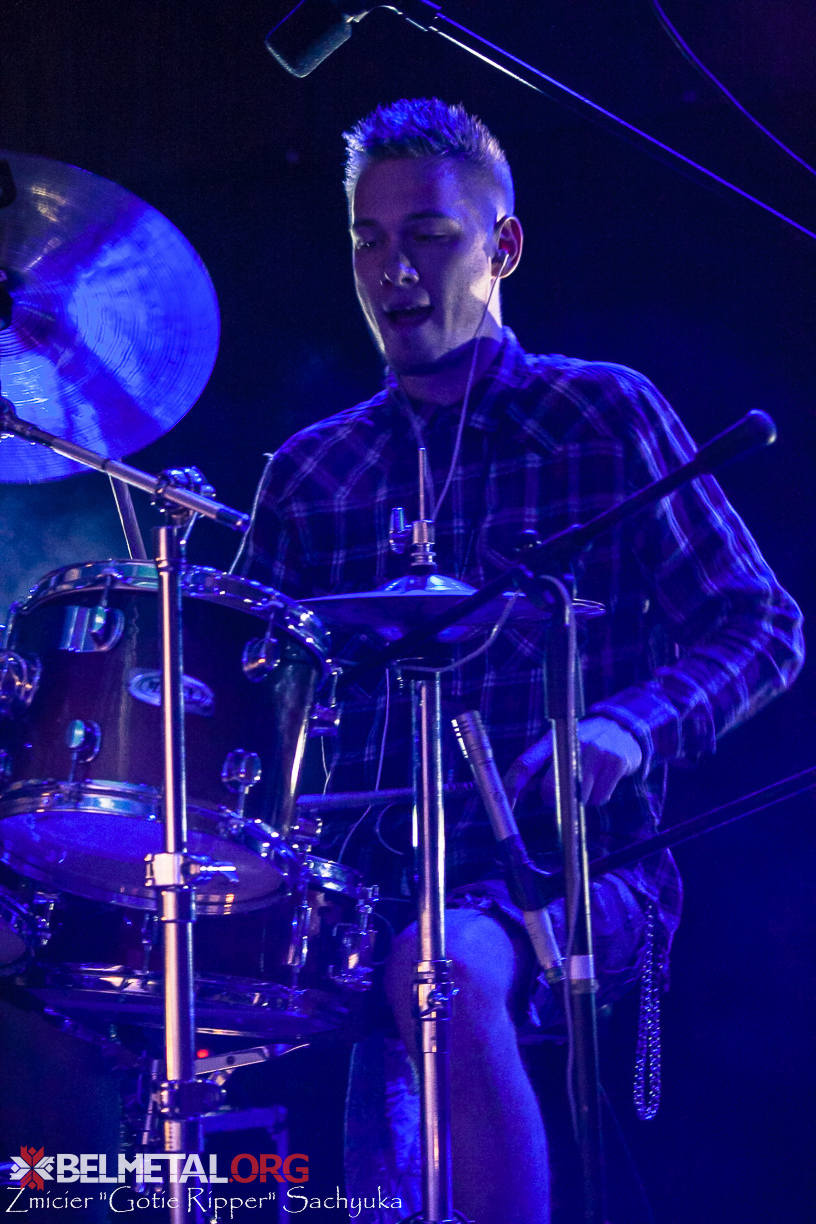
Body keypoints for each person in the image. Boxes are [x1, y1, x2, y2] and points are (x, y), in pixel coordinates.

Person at [233, 98, 803, 1224]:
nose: (393, 269)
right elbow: (242, 690)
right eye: (368, 238)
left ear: (502, 247)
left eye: (429, 236)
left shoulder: (603, 414)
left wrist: (628, 725)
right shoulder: (310, 470)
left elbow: (762, 624)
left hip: (576, 871)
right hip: (353, 882)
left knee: (440, 971)